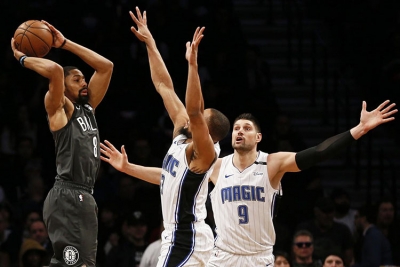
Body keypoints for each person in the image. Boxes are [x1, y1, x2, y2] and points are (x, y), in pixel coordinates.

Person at [101, 7, 230, 267]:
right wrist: (150, 43)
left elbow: (194, 109)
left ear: (209, 134)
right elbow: (164, 86)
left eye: (200, 120)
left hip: (186, 237)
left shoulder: (205, 153)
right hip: (181, 236)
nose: (194, 117)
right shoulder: (184, 134)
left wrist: (192, 65)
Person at [11, 20, 113, 266]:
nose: (84, 82)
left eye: (83, 79)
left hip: (83, 196)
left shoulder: (87, 110)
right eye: (77, 79)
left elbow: (106, 67)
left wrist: (65, 43)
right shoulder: (60, 110)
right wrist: (22, 58)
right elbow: (55, 70)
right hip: (68, 194)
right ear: (64, 87)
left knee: (82, 264)